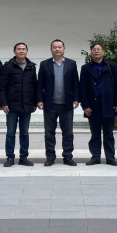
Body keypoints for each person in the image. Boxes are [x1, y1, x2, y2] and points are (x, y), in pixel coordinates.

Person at [37, 39, 80, 167]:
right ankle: (50, 157)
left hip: (67, 104)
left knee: (68, 133)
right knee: (49, 133)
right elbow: (40, 83)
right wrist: (39, 99)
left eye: (59, 47)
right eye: (54, 47)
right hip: (49, 104)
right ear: (51, 50)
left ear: (64, 49)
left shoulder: (71, 64)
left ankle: (68, 157)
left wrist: (76, 98)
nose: (57, 49)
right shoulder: (44, 64)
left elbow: (75, 82)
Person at [79, 43, 117, 166]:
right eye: (94, 49)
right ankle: (95, 157)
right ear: (91, 53)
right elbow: (82, 88)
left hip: (109, 104)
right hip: (92, 105)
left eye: (98, 49)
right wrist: (85, 106)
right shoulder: (85, 68)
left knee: (109, 133)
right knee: (95, 133)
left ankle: (110, 158)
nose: (96, 51)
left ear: (103, 52)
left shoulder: (111, 66)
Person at [0, 42, 37, 167]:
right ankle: (10, 157)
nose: (21, 51)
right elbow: (2, 87)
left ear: (27, 51)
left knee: (24, 133)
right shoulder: (7, 67)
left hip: (27, 106)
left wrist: (34, 103)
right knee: (10, 133)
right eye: (19, 49)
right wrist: (3, 103)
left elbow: (35, 86)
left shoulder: (31, 67)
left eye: (23, 49)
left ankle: (23, 157)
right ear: (14, 52)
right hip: (11, 106)